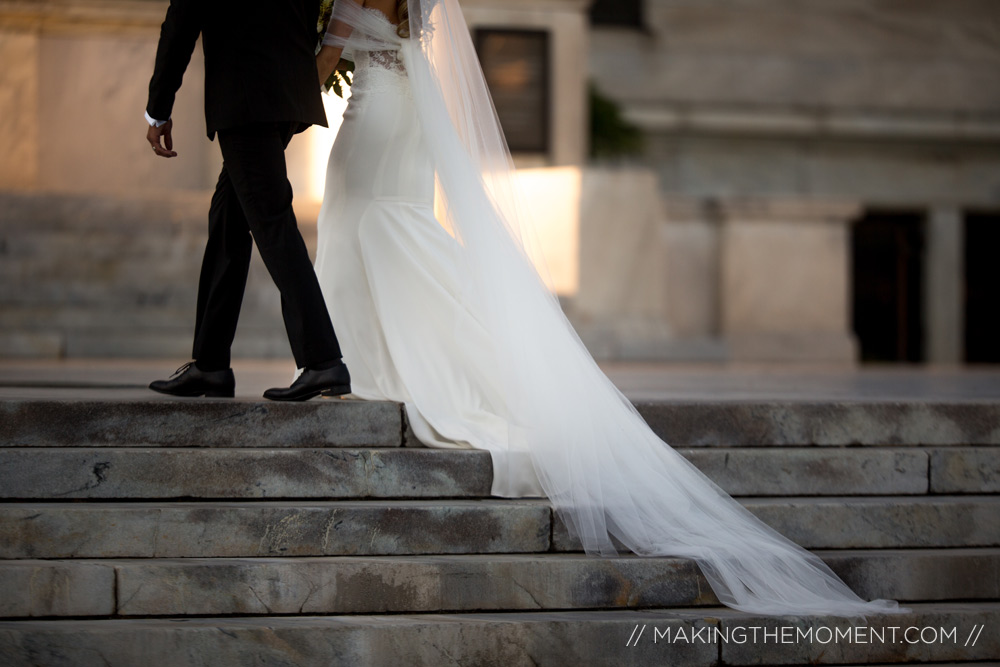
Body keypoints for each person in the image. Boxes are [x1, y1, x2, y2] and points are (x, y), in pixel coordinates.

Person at [313, 0, 908, 616]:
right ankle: (405, 353)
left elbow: (329, 53)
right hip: (412, 108)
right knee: (395, 226)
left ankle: (373, 358)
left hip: (377, 107)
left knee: (371, 221)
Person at [144, 0, 351, 401]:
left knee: (271, 220)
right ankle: (210, 364)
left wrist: (158, 108)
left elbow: (183, 19)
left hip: (244, 93)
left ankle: (323, 361)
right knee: (229, 218)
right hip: (287, 90)